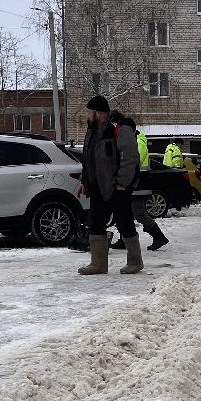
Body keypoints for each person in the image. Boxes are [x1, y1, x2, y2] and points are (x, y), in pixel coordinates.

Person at [77, 95, 142, 275]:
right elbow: (89, 159)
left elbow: (130, 158)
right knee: (96, 223)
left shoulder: (120, 128)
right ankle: (98, 263)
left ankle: (135, 261)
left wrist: (122, 182)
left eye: (89, 112)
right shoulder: (92, 130)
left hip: (117, 186)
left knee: (124, 222)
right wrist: (85, 181)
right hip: (98, 186)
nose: (87, 116)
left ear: (98, 113)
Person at [116, 111, 169, 252]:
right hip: (136, 183)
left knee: (138, 213)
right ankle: (124, 239)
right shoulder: (134, 140)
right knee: (125, 211)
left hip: (139, 184)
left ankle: (158, 236)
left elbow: (132, 161)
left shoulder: (138, 142)